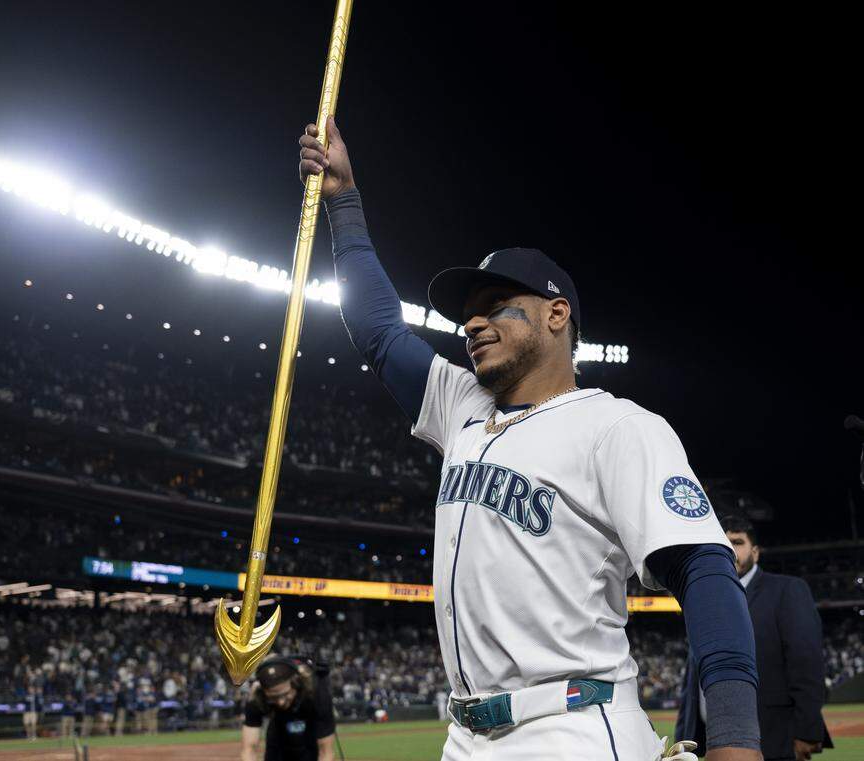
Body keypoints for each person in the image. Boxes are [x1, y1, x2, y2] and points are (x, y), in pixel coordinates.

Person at [297, 118, 761, 761]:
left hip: (572, 726)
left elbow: (707, 570)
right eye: (467, 314)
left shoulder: (617, 426)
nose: (473, 323)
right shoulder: (462, 403)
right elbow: (379, 332)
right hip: (464, 735)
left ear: (556, 314)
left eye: (495, 305)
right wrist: (344, 201)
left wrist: (735, 739)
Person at [677, 516, 833, 759]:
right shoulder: (702, 598)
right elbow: (692, 679)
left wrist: (807, 731)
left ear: (756, 552)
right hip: (706, 740)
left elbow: (807, 664)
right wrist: (683, 736)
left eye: (737, 542)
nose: (730, 550)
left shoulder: (786, 590)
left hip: (771, 737)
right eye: (723, 542)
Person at [241, 657, 336, 761]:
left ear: (296, 683)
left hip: (310, 743)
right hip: (277, 742)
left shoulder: (316, 693)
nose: (280, 702)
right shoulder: (257, 697)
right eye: (273, 697)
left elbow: (326, 753)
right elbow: (249, 749)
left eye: (285, 694)